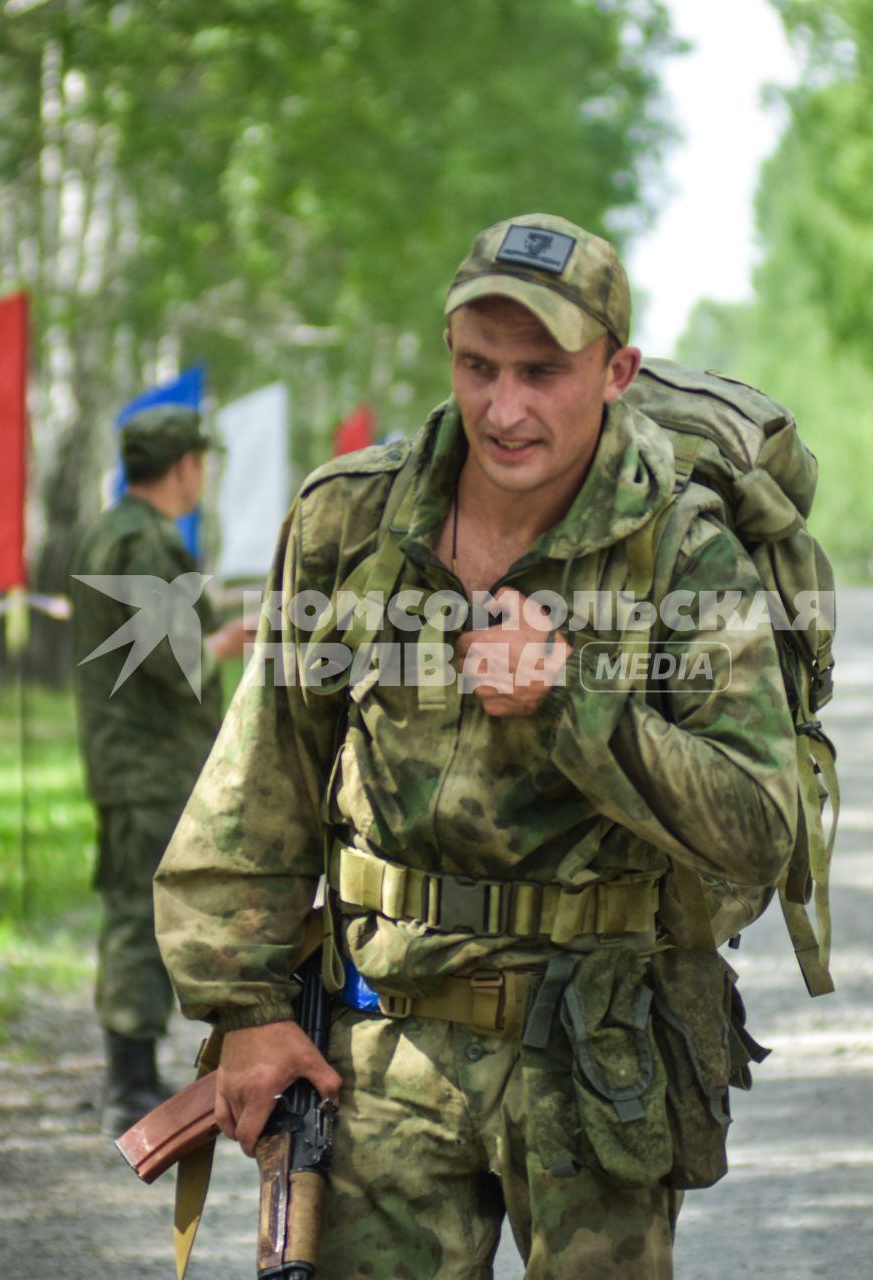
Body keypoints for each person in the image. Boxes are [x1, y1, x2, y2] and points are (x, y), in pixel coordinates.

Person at [153, 213, 806, 1274]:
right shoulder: (351, 523)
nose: (505, 408)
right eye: (478, 366)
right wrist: (248, 1008)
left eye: (543, 371)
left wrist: (571, 708)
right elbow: (261, 771)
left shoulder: (686, 548)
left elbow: (757, 823)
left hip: (594, 1049)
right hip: (382, 1044)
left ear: (616, 370)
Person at [71, 403, 249, 1134]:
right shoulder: (145, 541)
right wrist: (230, 640)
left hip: (129, 760)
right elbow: (170, 663)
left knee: (134, 911)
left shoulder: (111, 531)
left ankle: (132, 1072)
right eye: (199, 463)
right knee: (143, 918)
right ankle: (131, 1085)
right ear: (184, 467)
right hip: (150, 763)